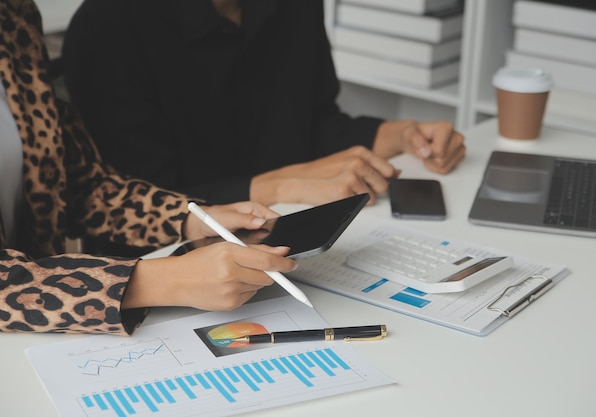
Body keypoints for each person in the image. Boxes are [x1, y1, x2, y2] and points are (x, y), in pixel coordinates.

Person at [0, 0, 298, 335]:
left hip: (46, 334)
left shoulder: (13, 16)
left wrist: (191, 219)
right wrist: (162, 280)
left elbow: (78, 187)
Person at [61, 0, 466, 210]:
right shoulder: (107, 26)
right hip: (170, 265)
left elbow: (312, 122)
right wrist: (287, 183)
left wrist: (397, 134)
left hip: (293, 228)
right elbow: (136, 201)